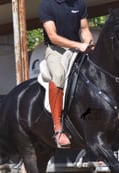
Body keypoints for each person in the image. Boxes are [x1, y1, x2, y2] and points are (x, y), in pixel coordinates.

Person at [39, 0, 94, 148]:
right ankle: (58, 129)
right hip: (56, 50)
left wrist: (89, 44)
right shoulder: (47, 4)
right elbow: (53, 37)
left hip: (77, 49)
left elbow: (84, 29)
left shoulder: (79, 4)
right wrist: (79, 45)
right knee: (58, 75)